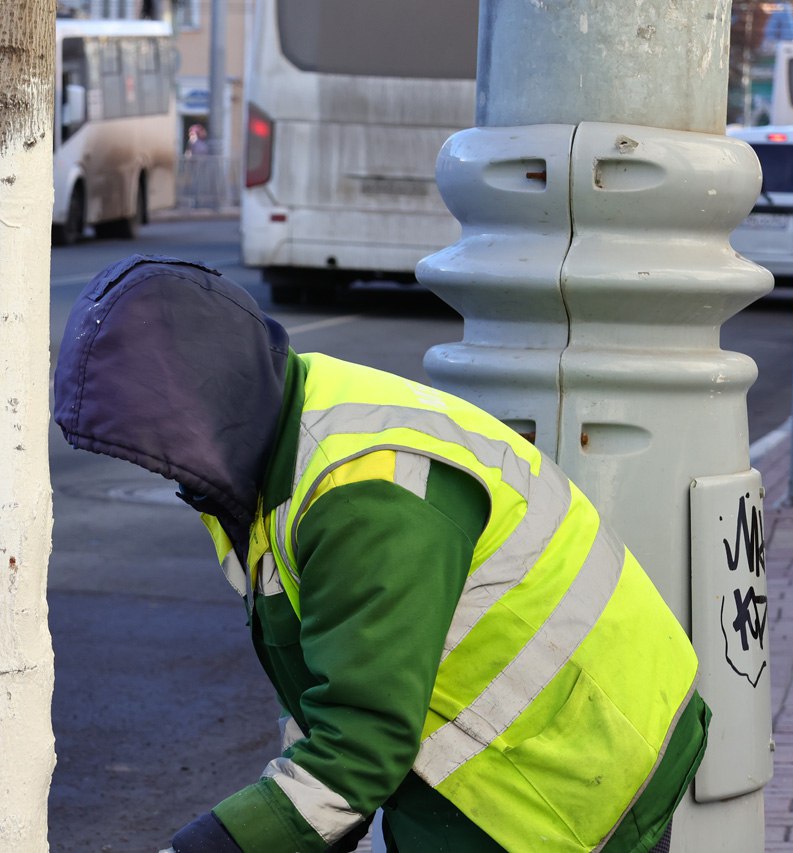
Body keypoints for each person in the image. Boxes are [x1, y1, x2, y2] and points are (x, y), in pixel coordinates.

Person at [52, 256, 710, 853]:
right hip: (545, 735)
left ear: (204, 412)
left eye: (160, 449)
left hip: (573, 760)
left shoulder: (360, 491)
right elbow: (334, 694)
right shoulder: (268, 432)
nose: (168, 475)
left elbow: (360, 746)